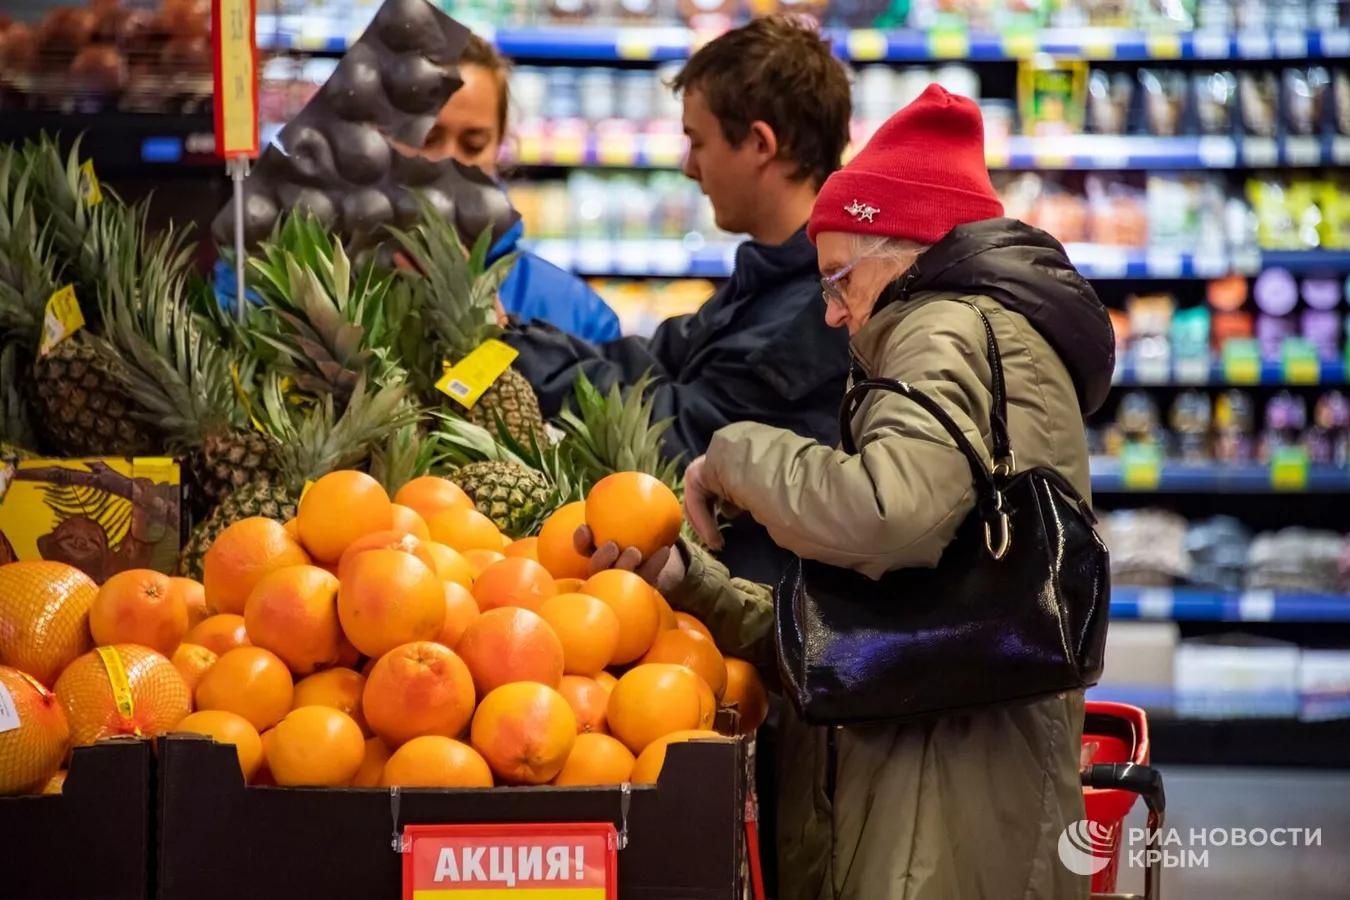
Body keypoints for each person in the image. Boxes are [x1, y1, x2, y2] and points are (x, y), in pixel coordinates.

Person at [582, 85, 1116, 899]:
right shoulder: (965, 331)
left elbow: (888, 517)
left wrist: (735, 455)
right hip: (938, 780)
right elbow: (894, 619)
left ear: (906, 249)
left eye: (838, 279)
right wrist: (696, 587)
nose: (832, 314)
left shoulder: (942, 325)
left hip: (930, 810)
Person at [505, 15, 853, 584]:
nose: (689, 167)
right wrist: (512, 339)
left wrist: (522, 356)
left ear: (761, 144)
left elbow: (674, 431)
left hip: (758, 616)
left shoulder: (815, 313)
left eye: (698, 141)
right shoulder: (772, 272)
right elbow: (659, 357)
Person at [421, 35, 622, 343]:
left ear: (501, 144)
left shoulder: (581, 315)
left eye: (474, 144)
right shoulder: (333, 294)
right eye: (427, 139)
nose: (450, 161)